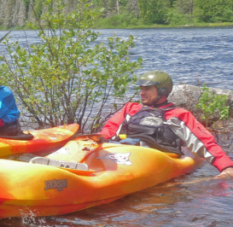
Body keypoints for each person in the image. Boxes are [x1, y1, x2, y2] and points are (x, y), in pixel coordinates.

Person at [99, 71, 233, 177]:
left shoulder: (179, 115)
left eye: (147, 88)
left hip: (155, 158)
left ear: (162, 91)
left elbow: (205, 142)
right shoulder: (131, 109)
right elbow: (109, 130)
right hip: (126, 153)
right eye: (141, 88)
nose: (141, 92)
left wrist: (226, 167)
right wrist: (94, 141)